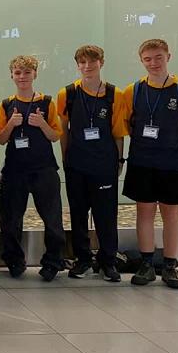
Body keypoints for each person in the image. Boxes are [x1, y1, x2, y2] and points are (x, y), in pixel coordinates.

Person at [122, 38, 178, 289]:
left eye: (158, 57)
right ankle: (146, 264)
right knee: (144, 212)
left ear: (168, 57)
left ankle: (170, 266)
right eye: (147, 59)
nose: (153, 63)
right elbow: (126, 124)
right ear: (141, 61)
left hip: (173, 163)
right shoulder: (133, 90)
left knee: (171, 214)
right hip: (142, 162)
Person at [57, 45, 127, 282]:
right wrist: (65, 158)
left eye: (92, 61)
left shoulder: (114, 94)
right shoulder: (67, 94)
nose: (87, 66)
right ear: (78, 65)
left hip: (104, 164)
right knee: (78, 214)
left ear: (101, 63)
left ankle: (108, 261)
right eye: (83, 62)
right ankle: (83, 259)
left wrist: (119, 160)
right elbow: (63, 130)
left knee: (106, 214)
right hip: (76, 164)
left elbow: (118, 132)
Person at [0, 55, 65, 281]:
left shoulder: (47, 102)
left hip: (44, 169)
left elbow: (55, 136)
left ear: (35, 74)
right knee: (11, 219)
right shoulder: (6, 104)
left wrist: (42, 124)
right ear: (12, 76)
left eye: (27, 72)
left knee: (52, 219)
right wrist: (11, 124)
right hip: (15, 170)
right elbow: (1, 139)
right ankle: (14, 260)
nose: (22, 77)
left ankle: (52, 262)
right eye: (18, 73)